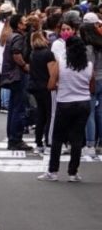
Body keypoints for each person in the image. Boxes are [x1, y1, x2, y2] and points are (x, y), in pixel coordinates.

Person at [39, 36, 93, 182]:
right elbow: (92, 87)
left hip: (65, 103)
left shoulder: (61, 64)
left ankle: (53, 171)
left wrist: (61, 85)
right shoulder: (89, 66)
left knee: (57, 138)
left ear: (67, 49)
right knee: (77, 138)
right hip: (83, 103)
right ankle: (73, 173)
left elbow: (50, 85)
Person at [0, 14, 32, 151]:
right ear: (19, 25)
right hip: (18, 75)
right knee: (19, 108)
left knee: (14, 107)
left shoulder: (12, 36)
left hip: (12, 75)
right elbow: (16, 53)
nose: (27, 23)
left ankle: (13, 138)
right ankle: (15, 139)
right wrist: (25, 65)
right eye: (24, 21)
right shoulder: (18, 37)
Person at [80, 12, 102, 157]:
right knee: (100, 111)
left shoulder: (88, 45)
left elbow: (90, 66)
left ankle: (90, 143)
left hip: (93, 80)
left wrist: (89, 82)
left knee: (90, 113)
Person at [28, 31, 54, 154]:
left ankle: (38, 142)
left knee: (41, 115)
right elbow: (52, 72)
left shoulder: (33, 54)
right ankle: (48, 141)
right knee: (49, 115)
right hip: (47, 86)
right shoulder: (48, 54)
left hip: (36, 87)